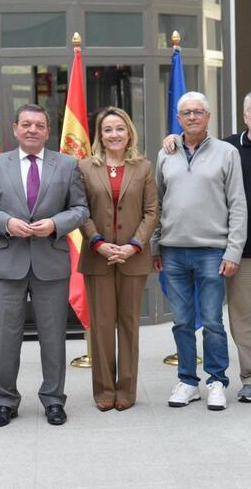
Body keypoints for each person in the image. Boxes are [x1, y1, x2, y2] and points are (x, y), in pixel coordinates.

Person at [166, 91, 251, 404]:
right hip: (240, 254)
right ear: (245, 117)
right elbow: (193, 144)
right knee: (244, 325)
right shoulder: (228, 149)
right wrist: (173, 138)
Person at [0, 103, 89, 427]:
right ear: (14, 128)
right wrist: (6, 222)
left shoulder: (68, 165)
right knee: (6, 337)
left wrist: (55, 223)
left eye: (39, 125)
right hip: (8, 261)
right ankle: (5, 401)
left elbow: (80, 209)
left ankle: (54, 400)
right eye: (26, 124)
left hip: (50, 261)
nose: (32, 130)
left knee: (53, 337)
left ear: (48, 131)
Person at [153, 92, 247, 412]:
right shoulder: (166, 153)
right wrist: (155, 244)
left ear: (208, 117)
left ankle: (217, 381)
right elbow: (157, 203)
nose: (192, 117)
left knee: (212, 322)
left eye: (198, 112)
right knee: (181, 321)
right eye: (185, 113)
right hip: (174, 251)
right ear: (178, 119)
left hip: (212, 250)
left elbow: (237, 204)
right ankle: (188, 382)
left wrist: (233, 250)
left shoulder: (227, 153)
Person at [78, 107, 159, 411]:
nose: (114, 134)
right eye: (107, 129)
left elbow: (152, 212)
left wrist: (134, 245)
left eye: (119, 128)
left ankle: (125, 389)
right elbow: (80, 210)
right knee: (100, 326)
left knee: (128, 325)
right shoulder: (85, 168)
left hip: (132, 258)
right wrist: (97, 242)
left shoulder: (144, 167)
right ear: (100, 135)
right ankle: (103, 390)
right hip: (97, 258)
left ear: (129, 133)